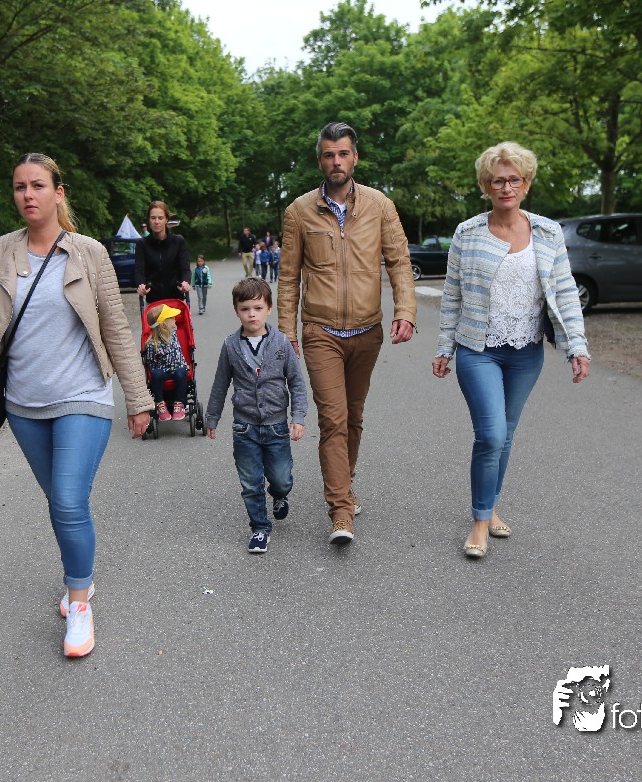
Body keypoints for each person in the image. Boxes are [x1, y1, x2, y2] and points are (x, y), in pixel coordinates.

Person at [0, 152, 152, 659]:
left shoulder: (89, 253)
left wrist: (138, 397)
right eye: (20, 186)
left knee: (66, 501)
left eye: (38, 185)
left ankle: (79, 603)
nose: (28, 195)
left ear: (58, 193)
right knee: (62, 502)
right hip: (23, 404)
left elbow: (115, 330)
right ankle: (81, 576)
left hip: (83, 394)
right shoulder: (0, 252)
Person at [431, 141, 591, 559]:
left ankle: (490, 506)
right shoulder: (468, 233)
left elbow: (565, 293)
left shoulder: (547, 232)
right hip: (477, 348)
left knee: (506, 436)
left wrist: (577, 346)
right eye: (497, 181)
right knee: (491, 435)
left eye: (514, 180)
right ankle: (479, 523)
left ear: (526, 184)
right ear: (486, 186)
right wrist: (444, 348)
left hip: (526, 351)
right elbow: (452, 295)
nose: (506, 187)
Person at [277, 121, 416, 546]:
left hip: (368, 332)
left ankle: (345, 483)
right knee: (333, 419)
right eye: (328, 155)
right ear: (319, 161)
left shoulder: (380, 206)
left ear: (354, 157)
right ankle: (340, 510)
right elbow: (288, 277)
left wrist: (406, 310)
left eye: (343, 154)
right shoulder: (299, 211)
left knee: (353, 417)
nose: (336, 161)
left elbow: (399, 261)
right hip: (321, 331)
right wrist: (286, 331)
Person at [206, 279, 308, 554]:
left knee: (282, 478)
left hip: (276, 427)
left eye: (258, 308)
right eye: (245, 309)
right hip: (244, 427)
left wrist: (298, 417)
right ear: (236, 311)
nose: (252, 314)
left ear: (269, 309)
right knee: (251, 483)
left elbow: (296, 383)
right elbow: (220, 384)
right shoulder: (230, 345)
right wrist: (212, 417)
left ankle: (279, 495)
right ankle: (260, 528)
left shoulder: (281, 343)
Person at [135, 200, 191, 304]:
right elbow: (139, 271)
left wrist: (185, 282)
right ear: (149, 220)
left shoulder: (178, 241)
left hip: (176, 300)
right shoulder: (142, 244)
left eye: (160, 218)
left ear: (166, 220)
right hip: (153, 302)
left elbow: (185, 269)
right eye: (153, 218)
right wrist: (141, 285)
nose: (156, 222)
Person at [143, 302, 189, 421]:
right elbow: (151, 363)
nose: (175, 319)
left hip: (177, 369)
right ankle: (160, 403)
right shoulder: (151, 344)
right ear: (164, 324)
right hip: (162, 371)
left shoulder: (173, 335)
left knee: (181, 372)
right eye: (172, 318)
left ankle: (179, 402)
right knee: (155, 373)